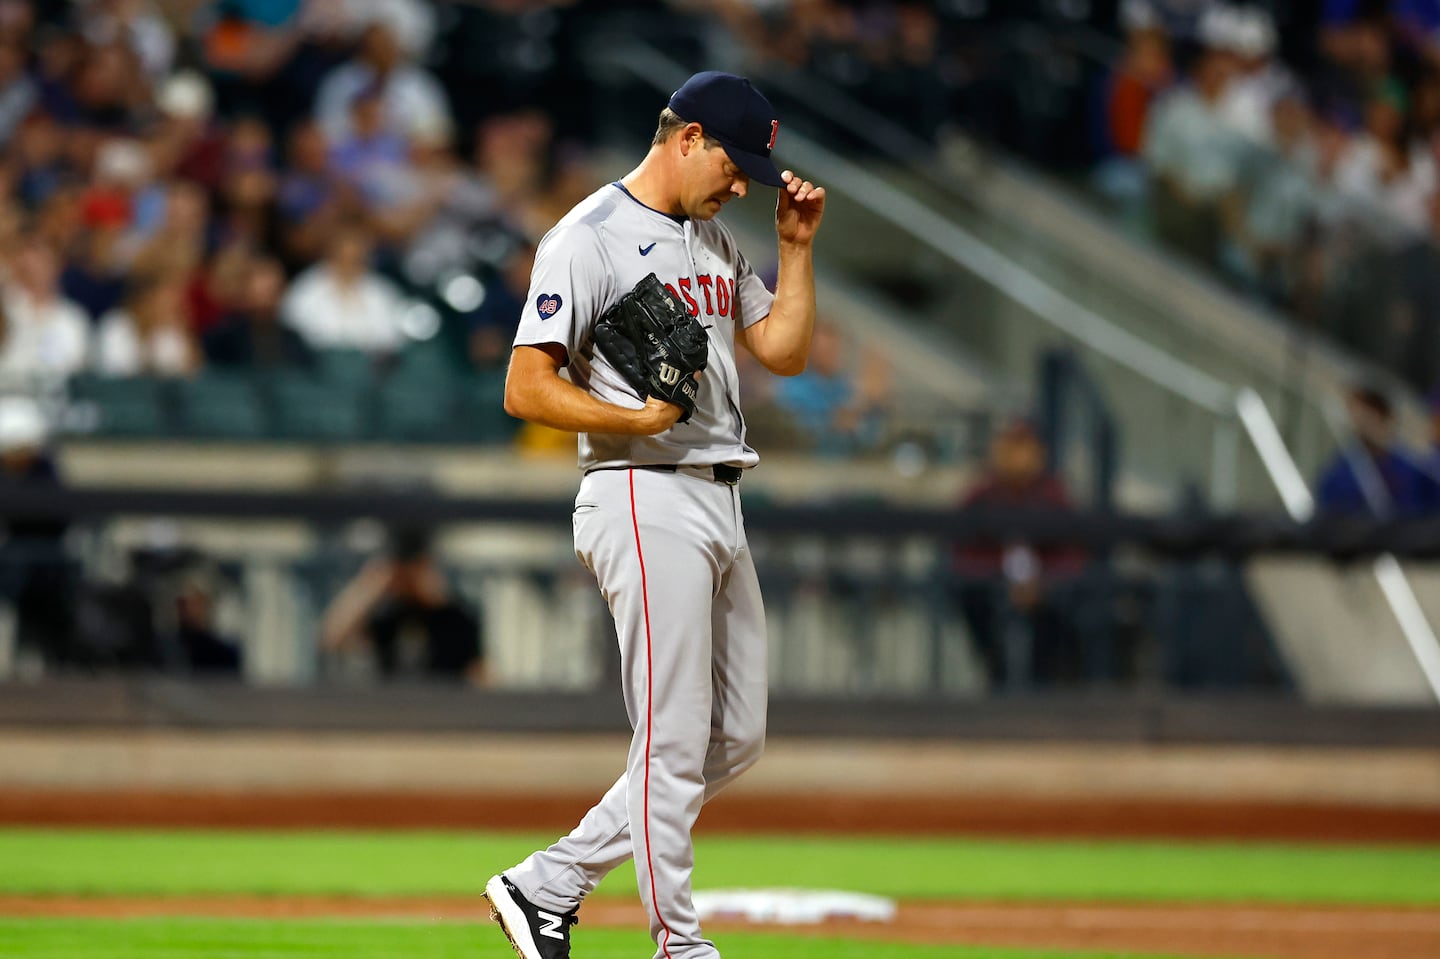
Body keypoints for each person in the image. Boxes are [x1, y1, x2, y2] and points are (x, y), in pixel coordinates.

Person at [487, 71, 826, 959]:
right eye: (734, 161)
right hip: (642, 485)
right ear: (687, 138)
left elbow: (782, 351)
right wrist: (628, 418)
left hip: (718, 492)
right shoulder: (587, 236)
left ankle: (548, 881)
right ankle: (678, 941)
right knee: (672, 738)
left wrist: (795, 250)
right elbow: (526, 386)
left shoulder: (714, 235)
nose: (742, 181)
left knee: (734, 736)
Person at [320, 525, 484, 684]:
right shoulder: (387, 615)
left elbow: (481, 675)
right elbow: (333, 637)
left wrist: (430, 589)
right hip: (393, 708)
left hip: (443, 708)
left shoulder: (456, 617)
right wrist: (372, 584)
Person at [1315, 385, 1432, 516]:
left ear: (1384, 415)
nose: (1358, 422)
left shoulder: (1415, 468)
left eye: (1366, 414)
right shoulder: (1339, 474)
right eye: (1352, 413)